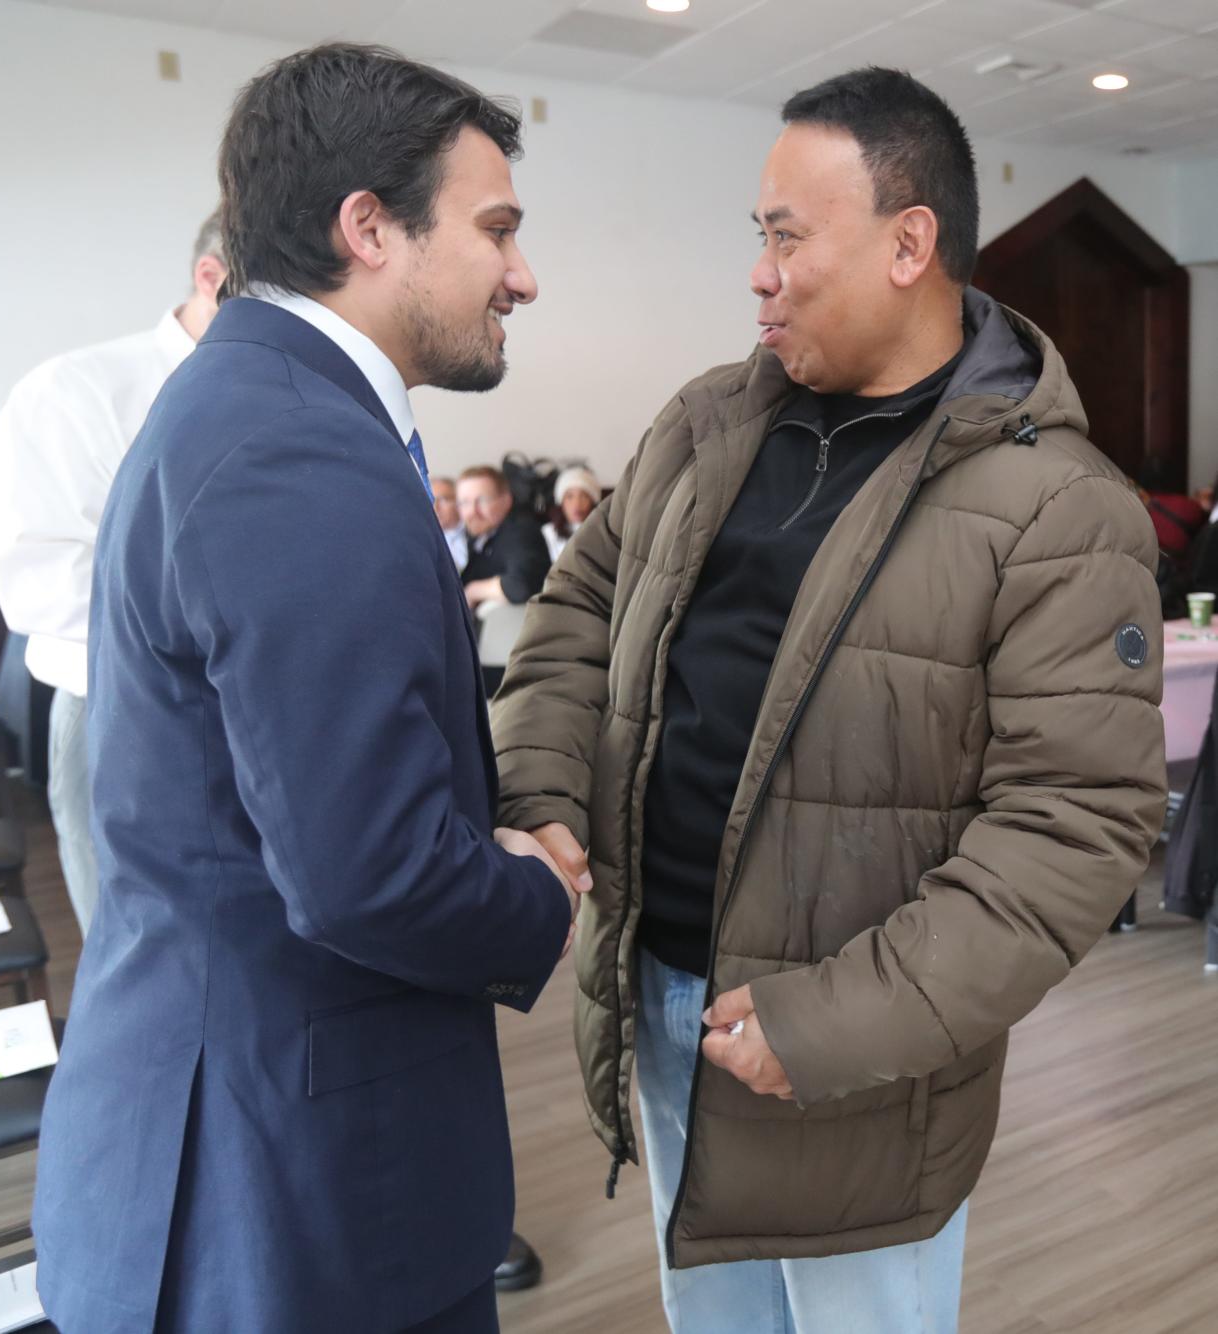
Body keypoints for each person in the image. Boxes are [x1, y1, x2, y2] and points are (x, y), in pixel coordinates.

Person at [491, 67, 1166, 1334]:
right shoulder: (706, 424)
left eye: (787, 235)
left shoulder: (1061, 508)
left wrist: (830, 1022)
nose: (759, 270)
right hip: (663, 998)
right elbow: (579, 611)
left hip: (851, 1069)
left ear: (911, 243)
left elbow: (1076, 825)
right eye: (760, 235)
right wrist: (539, 784)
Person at [32, 44, 579, 1334]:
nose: (523, 274)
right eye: (496, 229)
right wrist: (534, 889)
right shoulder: (295, 445)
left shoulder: (255, 405)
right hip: (286, 1176)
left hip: (249, 1114)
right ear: (368, 228)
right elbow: (365, 872)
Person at [0, 214, 227, 936]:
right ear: (211, 278)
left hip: (256, 697)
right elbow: (38, 578)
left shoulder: (291, 393)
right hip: (120, 701)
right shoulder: (76, 390)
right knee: (133, 934)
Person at [457, 464, 551, 610]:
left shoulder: (520, 532)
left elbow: (521, 585)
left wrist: (473, 590)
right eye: (464, 503)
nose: (472, 512)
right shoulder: (479, 536)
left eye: (482, 500)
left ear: (506, 500)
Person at [542, 465, 601, 562]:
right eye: (570, 496)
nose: (577, 503)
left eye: (584, 496)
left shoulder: (602, 533)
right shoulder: (548, 533)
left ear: (592, 501)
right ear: (561, 502)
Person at [432, 474, 469, 570]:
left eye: (443, 500)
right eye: (430, 501)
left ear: (459, 501)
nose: (435, 508)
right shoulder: (421, 540)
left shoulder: (477, 533)